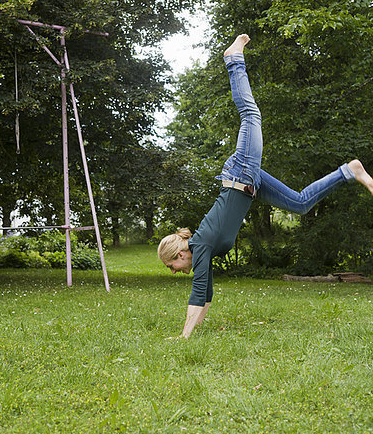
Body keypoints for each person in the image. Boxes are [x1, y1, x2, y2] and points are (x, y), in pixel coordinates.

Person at [158, 34, 373, 339]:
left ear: (179, 255)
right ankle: (349, 171)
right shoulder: (202, 250)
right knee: (299, 204)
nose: (173, 271)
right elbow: (205, 293)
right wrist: (194, 329)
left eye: (170, 266)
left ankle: (233, 59)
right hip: (250, 182)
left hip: (241, 174)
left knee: (250, 114)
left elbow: (196, 293)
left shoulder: (201, 246)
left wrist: (184, 336)